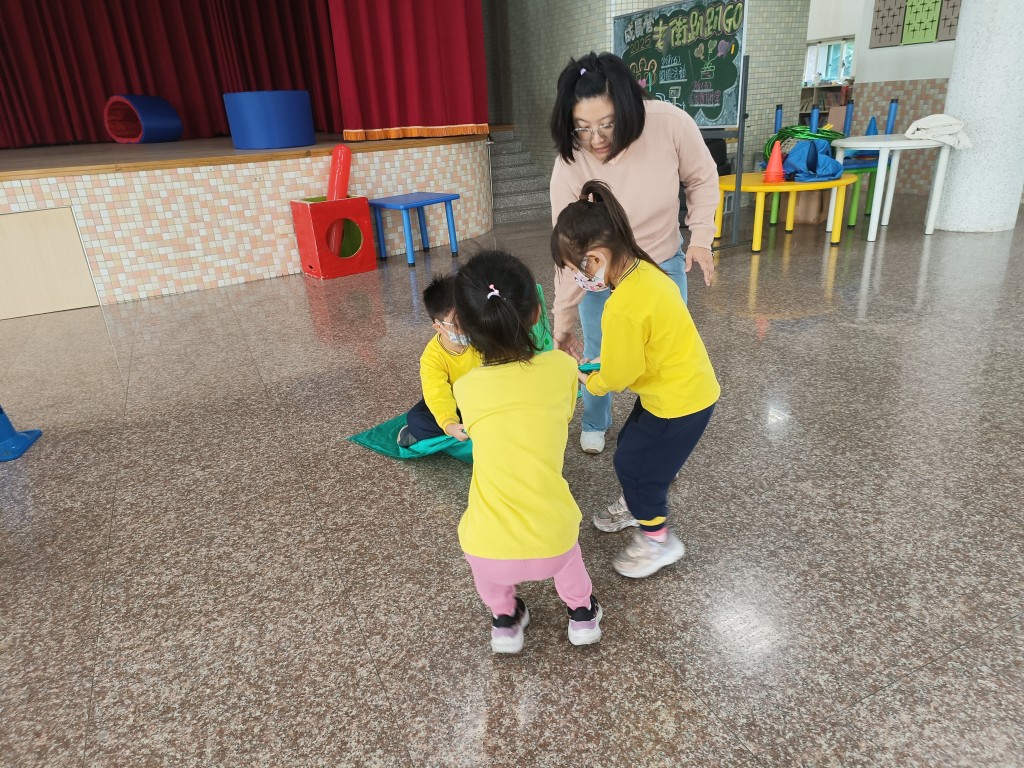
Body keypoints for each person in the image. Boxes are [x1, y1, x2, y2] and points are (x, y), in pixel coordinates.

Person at [549, 51, 719, 456]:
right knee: (598, 351)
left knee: (662, 354)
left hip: (660, 264)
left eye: (607, 124)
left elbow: (701, 177)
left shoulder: (669, 124)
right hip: (600, 277)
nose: (596, 139)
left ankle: (658, 424)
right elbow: (570, 249)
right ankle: (595, 422)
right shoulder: (570, 160)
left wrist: (701, 236)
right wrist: (563, 319)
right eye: (582, 128)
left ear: (628, 107)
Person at [551, 180, 719, 579]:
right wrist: (605, 361)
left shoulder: (622, 305)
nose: (577, 279)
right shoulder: (644, 271)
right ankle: (638, 503)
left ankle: (658, 539)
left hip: (679, 402)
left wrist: (590, 381)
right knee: (629, 448)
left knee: (637, 469)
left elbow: (620, 375)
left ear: (595, 258)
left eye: (575, 270)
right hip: (676, 388)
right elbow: (642, 345)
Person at [452, 250, 602, 653]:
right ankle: (582, 614)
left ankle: (505, 620)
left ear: (462, 328)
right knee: (568, 553)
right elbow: (563, 413)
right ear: (536, 313)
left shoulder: (465, 388)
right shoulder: (562, 369)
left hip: (487, 548)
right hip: (553, 541)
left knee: (482, 553)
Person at [397, 274, 482, 448]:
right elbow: (437, 394)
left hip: (483, 396)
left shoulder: (481, 336)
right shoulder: (432, 357)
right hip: (455, 402)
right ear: (439, 327)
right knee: (417, 419)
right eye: (457, 324)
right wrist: (449, 424)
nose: (467, 327)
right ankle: (433, 432)